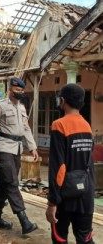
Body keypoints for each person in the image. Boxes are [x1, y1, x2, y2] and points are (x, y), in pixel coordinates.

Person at [0, 77, 38, 234]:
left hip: (17, 149)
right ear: (9, 90)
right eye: (17, 90)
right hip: (3, 149)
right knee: (12, 182)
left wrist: (32, 147)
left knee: (4, 184)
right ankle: (24, 220)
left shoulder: (22, 108)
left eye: (22, 91)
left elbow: (26, 128)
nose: (20, 93)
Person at [45, 84, 95, 244]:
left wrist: (52, 202)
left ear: (63, 100)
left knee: (60, 238)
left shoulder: (59, 125)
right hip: (86, 194)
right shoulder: (87, 127)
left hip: (65, 196)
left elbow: (58, 168)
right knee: (85, 238)